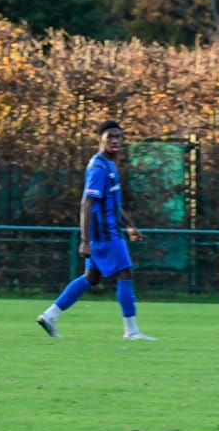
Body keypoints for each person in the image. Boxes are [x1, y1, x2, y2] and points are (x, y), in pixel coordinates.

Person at [36, 119, 156, 341]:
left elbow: (113, 204)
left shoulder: (109, 165)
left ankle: (50, 315)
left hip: (105, 232)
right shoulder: (98, 168)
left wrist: (130, 225)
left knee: (91, 277)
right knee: (125, 272)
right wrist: (85, 240)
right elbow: (86, 203)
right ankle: (131, 331)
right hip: (105, 234)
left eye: (118, 136)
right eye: (110, 136)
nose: (115, 140)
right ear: (100, 139)